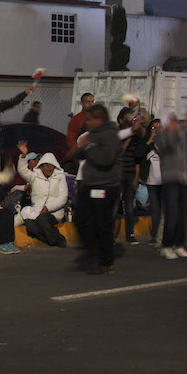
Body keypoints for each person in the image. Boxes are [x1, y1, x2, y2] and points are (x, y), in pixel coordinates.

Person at [73, 105, 122, 274]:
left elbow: (106, 159)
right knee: (80, 218)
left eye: (89, 119)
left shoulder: (109, 135)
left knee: (102, 224)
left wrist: (89, 147)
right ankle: (92, 253)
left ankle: (106, 261)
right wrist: (81, 148)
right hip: (89, 184)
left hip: (105, 186)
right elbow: (82, 153)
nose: (86, 122)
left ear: (99, 119)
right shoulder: (92, 135)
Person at [17, 144, 68, 247]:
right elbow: (22, 171)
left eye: (51, 165)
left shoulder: (59, 177)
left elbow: (63, 197)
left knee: (42, 219)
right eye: (46, 165)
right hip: (36, 212)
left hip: (54, 213)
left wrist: (48, 208)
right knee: (30, 226)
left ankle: (59, 240)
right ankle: (51, 240)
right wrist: (23, 156)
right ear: (41, 166)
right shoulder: (35, 176)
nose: (49, 168)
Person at [158, 112, 187, 260]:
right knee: (172, 214)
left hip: (184, 179)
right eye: (172, 122)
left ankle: (179, 244)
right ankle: (166, 245)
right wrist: (175, 132)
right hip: (170, 179)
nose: (175, 125)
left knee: (184, 215)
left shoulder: (182, 135)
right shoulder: (163, 136)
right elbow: (169, 147)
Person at [115, 107, 143, 245]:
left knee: (129, 206)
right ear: (120, 120)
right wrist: (126, 142)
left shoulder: (136, 138)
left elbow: (137, 159)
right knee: (114, 205)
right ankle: (110, 235)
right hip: (117, 174)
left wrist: (136, 178)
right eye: (127, 118)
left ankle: (130, 233)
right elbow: (116, 153)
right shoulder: (117, 135)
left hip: (130, 173)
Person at [141, 120, 163, 245]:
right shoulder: (147, 143)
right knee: (155, 209)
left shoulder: (166, 143)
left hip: (165, 181)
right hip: (152, 181)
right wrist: (150, 140)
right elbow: (138, 154)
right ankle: (155, 235)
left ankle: (163, 235)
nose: (157, 130)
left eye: (160, 128)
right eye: (155, 127)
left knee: (164, 211)